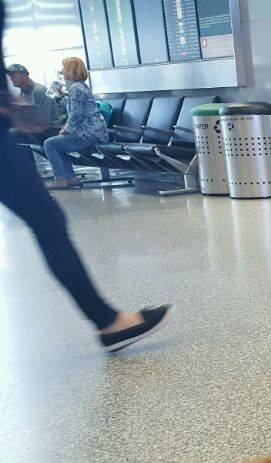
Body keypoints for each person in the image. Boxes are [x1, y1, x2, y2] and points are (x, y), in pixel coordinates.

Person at [1, 4, 170, 352]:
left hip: (84, 134)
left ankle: (106, 320)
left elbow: (78, 119)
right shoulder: (76, 90)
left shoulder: (75, 91)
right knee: (47, 220)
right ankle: (107, 322)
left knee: (47, 212)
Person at [42, 56, 108, 189]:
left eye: (64, 68)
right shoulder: (80, 86)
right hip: (95, 131)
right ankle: (70, 178)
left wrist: (66, 129)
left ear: (70, 70)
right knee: (57, 144)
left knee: (49, 143)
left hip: (89, 133)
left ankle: (61, 179)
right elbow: (77, 108)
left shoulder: (75, 88)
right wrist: (62, 96)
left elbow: (76, 114)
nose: (62, 71)